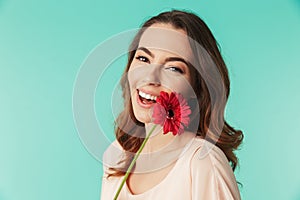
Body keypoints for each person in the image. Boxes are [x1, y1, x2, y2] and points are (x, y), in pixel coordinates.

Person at [101, 9, 244, 200]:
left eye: (173, 68)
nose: (150, 77)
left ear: (197, 89)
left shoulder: (202, 161)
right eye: (143, 58)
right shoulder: (116, 155)